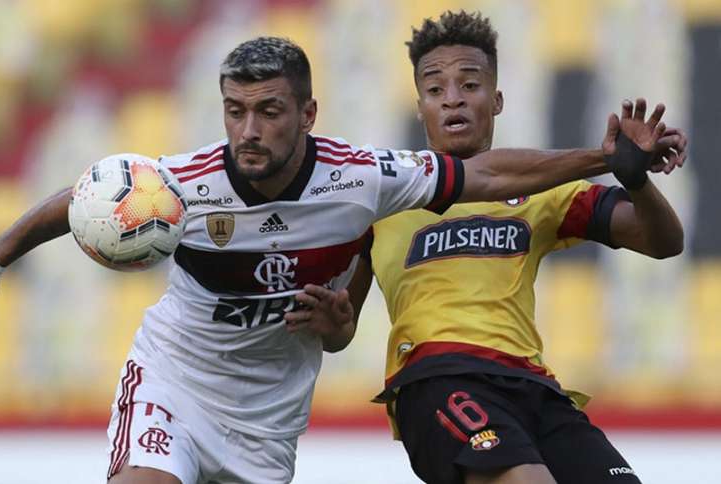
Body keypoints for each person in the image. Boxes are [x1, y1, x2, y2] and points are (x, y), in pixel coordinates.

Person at [0, 36, 681, 484]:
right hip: (178, 378)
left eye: (268, 110)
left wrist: (606, 159)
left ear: (308, 114)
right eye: (235, 109)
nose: (248, 128)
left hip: (268, 417)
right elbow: (77, 198)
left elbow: (482, 177)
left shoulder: (364, 181)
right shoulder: (180, 184)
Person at [286, 11, 687, 484]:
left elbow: (664, 242)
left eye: (469, 85)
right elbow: (340, 331)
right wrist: (334, 325)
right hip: (439, 377)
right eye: (435, 90)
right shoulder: (382, 197)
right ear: (420, 107)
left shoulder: (541, 190)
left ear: (496, 100)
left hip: (534, 387)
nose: (452, 99)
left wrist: (635, 178)